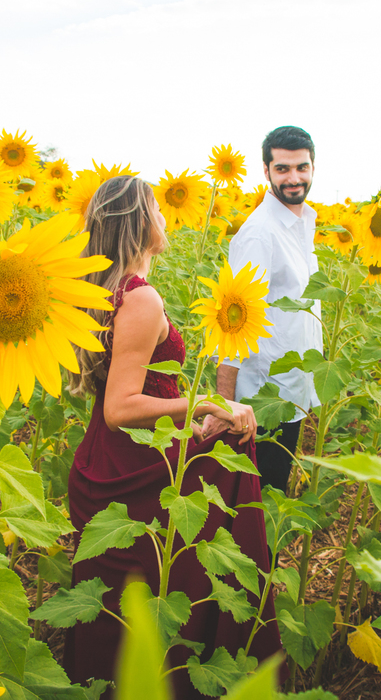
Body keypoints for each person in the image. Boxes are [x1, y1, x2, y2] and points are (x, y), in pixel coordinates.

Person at [64, 175, 281, 697]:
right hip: (133, 461)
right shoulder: (140, 299)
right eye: (158, 208)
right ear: (141, 222)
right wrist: (211, 405)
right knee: (158, 592)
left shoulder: (104, 289)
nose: (166, 217)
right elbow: (120, 408)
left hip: (115, 456)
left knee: (122, 601)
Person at [208, 126, 323, 494]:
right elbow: (233, 318)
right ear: (266, 171)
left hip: (291, 392)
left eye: (301, 168)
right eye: (283, 169)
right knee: (256, 503)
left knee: (269, 499)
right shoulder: (260, 232)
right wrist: (224, 404)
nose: (294, 178)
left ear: (313, 167)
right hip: (262, 399)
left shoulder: (302, 223)